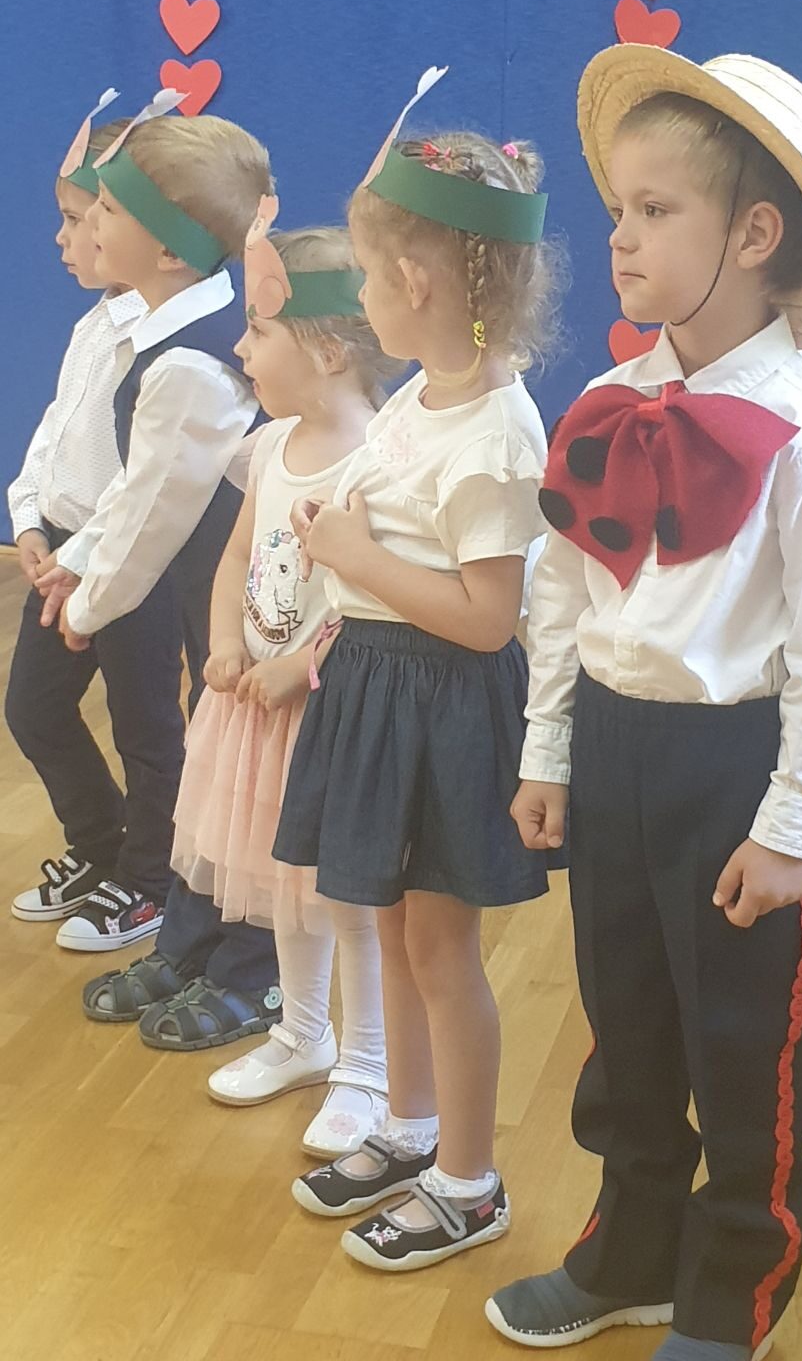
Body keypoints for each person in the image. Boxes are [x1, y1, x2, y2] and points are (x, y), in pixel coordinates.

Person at [487, 47, 802, 1361]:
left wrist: (791, 827)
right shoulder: (604, 402)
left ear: (754, 235)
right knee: (627, 1020)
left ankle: (734, 1287)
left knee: (742, 1040)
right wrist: (549, 749)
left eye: (654, 210)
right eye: (618, 208)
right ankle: (633, 1248)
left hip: (735, 770)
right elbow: (560, 590)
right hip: (613, 748)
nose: (620, 237)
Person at [275, 124, 561, 1269]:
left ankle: (469, 1181)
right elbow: (382, 514)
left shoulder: (495, 430)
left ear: (414, 279)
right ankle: (409, 1124)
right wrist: (335, 527)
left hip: (442, 704)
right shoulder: (421, 400)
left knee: (441, 950)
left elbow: (488, 617)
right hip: (380, 687)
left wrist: (354, 552)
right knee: (392, 934)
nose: (358, 301)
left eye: (362, 275)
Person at [34, 105, 276, 1026]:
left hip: (247, 603)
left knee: (242, 771)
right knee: (212, 763)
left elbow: (154, 512)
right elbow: (135, 489)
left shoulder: (189, 363)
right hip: (207, 594)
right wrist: (78, 558)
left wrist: (86, 600)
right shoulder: (160, 334)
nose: (90, 222)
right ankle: (195, 937)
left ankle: (252, 966)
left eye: (108, 211)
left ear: (169, 250)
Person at [171, 218, 396, 1153]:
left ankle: (368, 1066)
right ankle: (303, 1034)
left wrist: (296, 669)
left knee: (347, 902)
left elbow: (379, 606)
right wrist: (226, 640)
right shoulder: (268, 448)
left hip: (331, 718)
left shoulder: (377, 463)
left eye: (259, 330)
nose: (239, 347)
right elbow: (234, 557)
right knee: (281, 884)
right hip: (256, 715)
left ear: (327, 349)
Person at [6, 108, 161, 924]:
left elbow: (144, 481)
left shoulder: (159, 343)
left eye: (81, 218)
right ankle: (102, 846)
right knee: (32, 707)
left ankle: (150, 882)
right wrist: (30, 521)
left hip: (129, 557)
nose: (66, 238)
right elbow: (52, 434)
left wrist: (84, 557)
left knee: (145, 726)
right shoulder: (94, 325)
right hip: (62, 553)